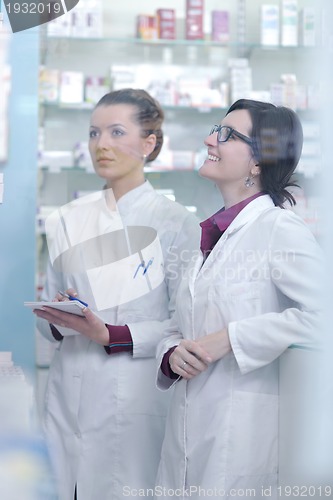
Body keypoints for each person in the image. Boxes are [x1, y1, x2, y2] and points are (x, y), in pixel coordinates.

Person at [33, 88, 200, 500]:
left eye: (115, 132)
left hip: (131, 399)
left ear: (148, 144)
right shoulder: (68, 220)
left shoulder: (176, 223)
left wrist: (112, 334)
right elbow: (48, 310)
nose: (100, 144)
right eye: (93, 133)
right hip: (67, 395)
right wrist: (60, 320)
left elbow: (184, 323)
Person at [155, 99, 323, 499]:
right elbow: (182, 325)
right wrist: (171, 352)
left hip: (240, 440)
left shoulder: (279, 229)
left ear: (258, 162)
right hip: (184, 434)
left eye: (227, 134)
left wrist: (232, 338)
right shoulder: (211, 235)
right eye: (217, 128)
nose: (209, 138)